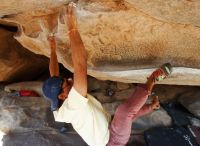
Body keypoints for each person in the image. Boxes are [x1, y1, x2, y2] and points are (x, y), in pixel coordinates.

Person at [42, 3, 173, 146]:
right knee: (124, 113)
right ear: (62, 96)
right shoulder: (73, 104)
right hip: (112, 141)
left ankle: (151, 107)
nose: (69, 79)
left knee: (124, 116)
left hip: (108, 127)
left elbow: (53, 75)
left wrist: (52, 48)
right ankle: (153, 79)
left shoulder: (59, 104)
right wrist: (72, 28)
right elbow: (80, 66)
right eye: (67, 83)